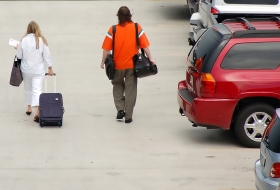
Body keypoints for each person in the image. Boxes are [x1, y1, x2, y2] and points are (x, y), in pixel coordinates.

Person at [101, 6, 155, 124]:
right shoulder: (137, 27)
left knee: (117, 86)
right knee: (131, 90)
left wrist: (102, 61)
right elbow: (145, 46)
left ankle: (120, 109)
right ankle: (128, 116)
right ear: (130, 15)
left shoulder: (113, 29)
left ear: (118, 16)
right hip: (132, 66)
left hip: (117, 66)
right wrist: (151, 59)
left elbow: (106, 49)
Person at [15, 21, 54, 122]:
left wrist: (17, 48)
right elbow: (47, 55)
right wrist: (50, 68)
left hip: (26, 69)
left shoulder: (23, 40)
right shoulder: (42, 40)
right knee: (37, 90)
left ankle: (29, 108)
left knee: (28, 88)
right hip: (38, 70)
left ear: (28, 29)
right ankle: (37, 111)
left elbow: (19, 56)